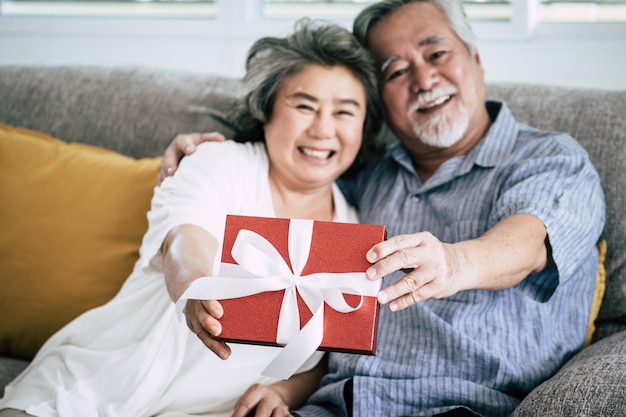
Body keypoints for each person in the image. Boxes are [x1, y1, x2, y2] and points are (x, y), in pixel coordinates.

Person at [158, 1, 606, 416]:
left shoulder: (550, 159)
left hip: (462, 406)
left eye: (436, 55)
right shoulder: (363, 174)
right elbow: (290, 160)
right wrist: (201, 147)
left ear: (476, 58)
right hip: (331, 404)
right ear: (380, 104)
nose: (424, 80)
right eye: (395, 71)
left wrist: (453, 262)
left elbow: (528, 243)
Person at [0, 19, 385, 417]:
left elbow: (329, 353)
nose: (323, 129)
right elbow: (185, 239)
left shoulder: (355, 227)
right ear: (266, 109)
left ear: (363, 126)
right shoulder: (219, 163)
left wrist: (286, 394)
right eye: (304, 106)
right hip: (106, 382)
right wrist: (197, 288)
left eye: (344, 112)